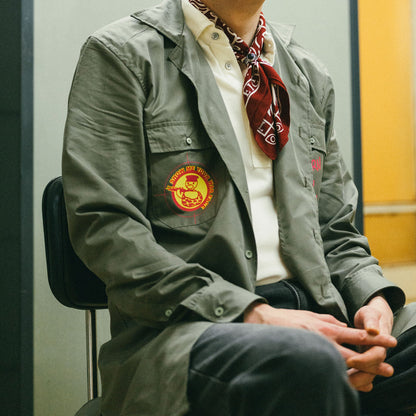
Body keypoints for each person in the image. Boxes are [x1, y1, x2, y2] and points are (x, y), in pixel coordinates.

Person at [62, 0, 416, 415]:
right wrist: (254, 313)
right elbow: (108, 230)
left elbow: (335, 229)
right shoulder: (122, 54)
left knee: (321, 356)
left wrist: (373, 303)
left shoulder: (306, 71)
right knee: (305, 361)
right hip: (189, 330)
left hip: (319, 316)